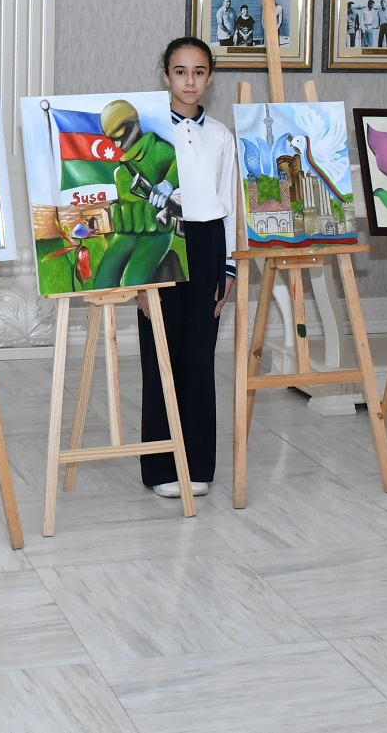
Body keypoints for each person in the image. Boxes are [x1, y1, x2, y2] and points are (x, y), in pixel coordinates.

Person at [138, 37, 236, 498]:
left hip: (207, 243)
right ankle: (161, 467)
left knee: (199, 357)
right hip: (162, 242)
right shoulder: (150, 134)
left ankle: (197, 465)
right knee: (161, 356)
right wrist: (140, 280)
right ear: (166, 76)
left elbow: (230, 204)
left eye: (198, 72)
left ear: (210, 78)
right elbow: (138, 206)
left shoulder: (221, 136)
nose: (189, 81)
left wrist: (228, 268)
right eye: (180, 71)